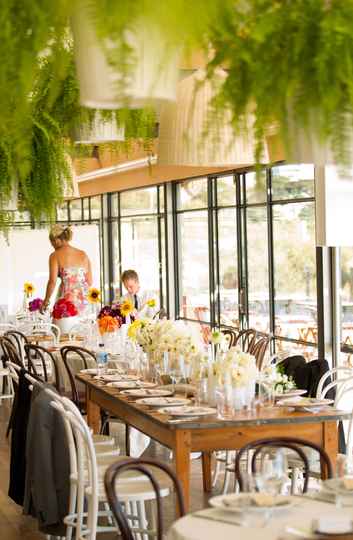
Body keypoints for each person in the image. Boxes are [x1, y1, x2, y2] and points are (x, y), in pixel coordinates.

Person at [41, 225, 92, 314]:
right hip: (84, 302)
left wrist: (46, 301)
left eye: (51, 243)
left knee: (63, 327)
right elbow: (89, 281)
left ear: (56, 240)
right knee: (83, 327)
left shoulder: (55, 256)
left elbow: (52, 282)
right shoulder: (83, 254)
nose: (52, 245)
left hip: (66, 300)